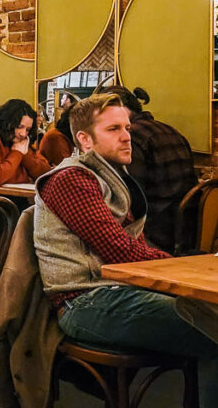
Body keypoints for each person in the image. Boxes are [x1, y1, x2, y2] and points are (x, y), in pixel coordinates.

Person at [32, 93, 218, 404]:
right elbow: (119, 250)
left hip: (118, 291)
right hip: (85, 301)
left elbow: (133, 246)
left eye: (127, 128)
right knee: (214, 328)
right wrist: (184, 270)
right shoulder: (71, 179)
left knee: (211, 318)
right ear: (85, 140)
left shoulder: (113, 175)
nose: (126, 137)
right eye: (113, 129)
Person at [108, 85, 197, 253]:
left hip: (155, 233)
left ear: (120, 109)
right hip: (188, 229)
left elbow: (131, 196)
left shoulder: (131, 137)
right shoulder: (171, 130)